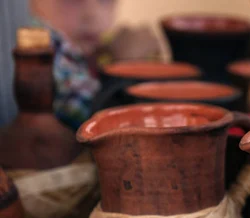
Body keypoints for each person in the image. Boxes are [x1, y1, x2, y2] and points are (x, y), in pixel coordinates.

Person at [29, 0, 160, 129]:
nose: (93, 14)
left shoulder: (90, 53)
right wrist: (125, 66)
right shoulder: (42, 45)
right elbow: (90, 122)